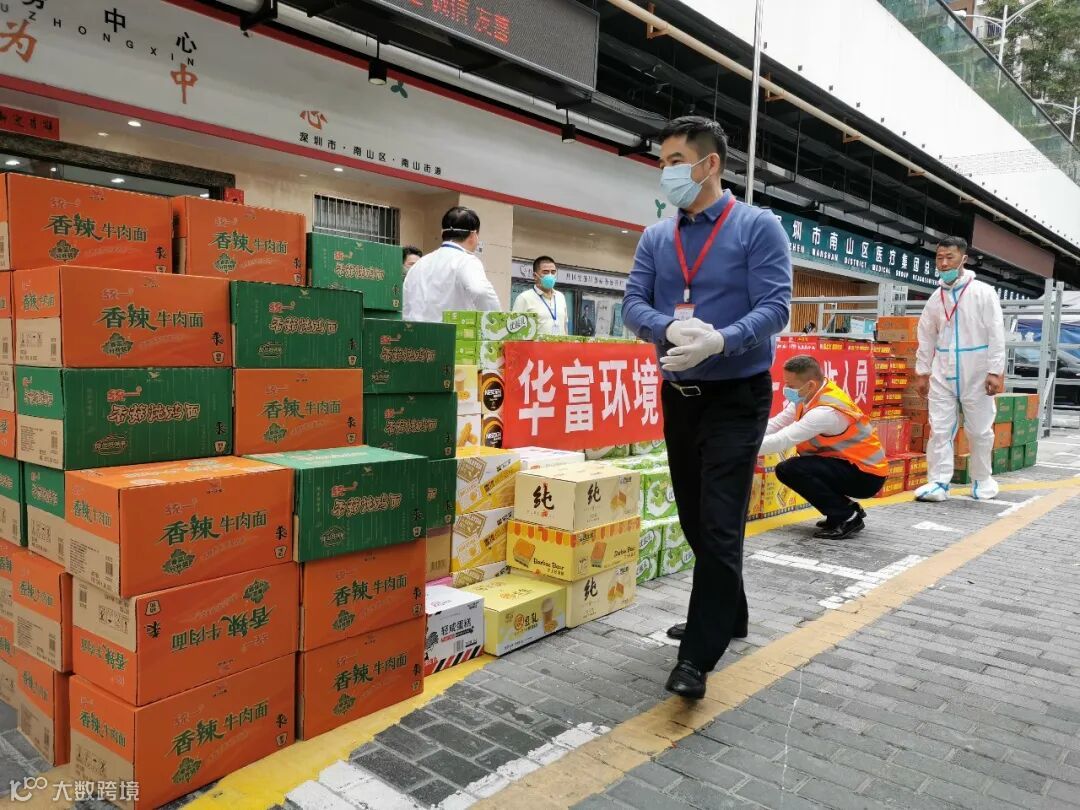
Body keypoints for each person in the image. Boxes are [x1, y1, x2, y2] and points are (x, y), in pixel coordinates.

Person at [622, 116, 792, 699]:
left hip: (737, 396)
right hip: (680, 395)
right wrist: (667, 328)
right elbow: (632, 303)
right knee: (696, 519)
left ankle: (697, 655)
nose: (665, 172)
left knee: (720, 524)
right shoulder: (656, 237)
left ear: (709, 163)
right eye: (662, 162)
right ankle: (730, 611)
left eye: (675, 160)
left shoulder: (757, 227)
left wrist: (721, 340)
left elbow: (775, 307)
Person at [913, 236, 1006, 502]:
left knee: (980, 430)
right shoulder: (935, 298)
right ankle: (938, 482)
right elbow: (926, 337)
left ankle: (982, 479)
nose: (943, 263)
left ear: (963, 259)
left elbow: (996, 333)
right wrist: (922, 372)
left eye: (949, 257)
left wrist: (995, 370)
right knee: (940, 429)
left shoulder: (983, 292)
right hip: (943, 371)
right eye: (939, 258)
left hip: (976, 370)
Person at [762, 355, 888, 539]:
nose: (786, 389)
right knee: (796, 467)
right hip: (849, 466)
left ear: (810, 385)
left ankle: (846, 516)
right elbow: (777, 424)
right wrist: (744, 437)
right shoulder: (808, 396)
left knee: (790, 469)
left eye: (791, 385)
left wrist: (741, 448)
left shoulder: (825, 412)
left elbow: (783, 439)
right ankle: (844, 510)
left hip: (866, 475)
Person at [402, 206, 501, 322]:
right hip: (452, 332)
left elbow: (406, 305)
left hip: (416, 331)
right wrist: (496, 322)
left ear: (442, 233)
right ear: (473, 236)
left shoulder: (419, 264)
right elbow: (481, 291)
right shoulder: (466, 261)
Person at [512, 256, 569, 336]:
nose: (550, 275)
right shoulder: (524, 298)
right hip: (536, 344)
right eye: (545, 272)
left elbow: (565, 327)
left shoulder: (561, 297)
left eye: (553, 272)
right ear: (535, 276)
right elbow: (515, 332)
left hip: (560, 344)